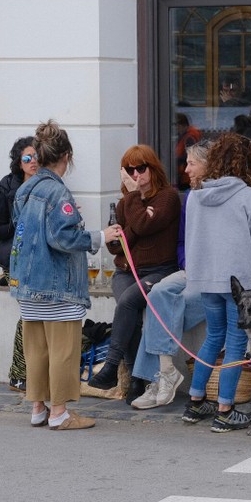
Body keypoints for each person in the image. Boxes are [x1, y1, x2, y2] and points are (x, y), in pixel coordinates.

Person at [9, 120, 121, 431]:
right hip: (56, 284)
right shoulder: (57, 192)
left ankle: (38, 408)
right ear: (66, 156)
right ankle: (59, 412)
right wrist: (100, 235)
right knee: (63, 350)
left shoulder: (26, 188)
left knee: (37, 350)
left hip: (27, 283)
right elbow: (63, 238)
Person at [182, 132, 251, 432]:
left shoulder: (195, 195)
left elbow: (191, 237)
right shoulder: (248, 196)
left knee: (212, 338)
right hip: (240, 283)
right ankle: (225, 409)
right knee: (235, 343)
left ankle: (195, 403)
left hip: (206, 279)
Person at [88, 145, 181, 392]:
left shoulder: (167, 197)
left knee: (128, 303)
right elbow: (116, 246)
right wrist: (136, 224)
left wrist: (135, 213)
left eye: (141, 168)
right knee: (128, 312)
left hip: (159, 271)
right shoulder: (124, 204)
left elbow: (139, 227)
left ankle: (112, 366)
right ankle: (137, 380)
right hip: (125, 271)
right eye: (130, 170)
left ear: (153, 168)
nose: (136, 175)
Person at [130, 141, 211, 409]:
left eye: (191, 163)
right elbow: (181, 242)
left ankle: (162, 377)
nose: (186, 169)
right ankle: (165, 372)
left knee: (164, 309)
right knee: (156, 295)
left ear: (208, 165)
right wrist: (187, 264)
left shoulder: (218, 197)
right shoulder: (189, 197)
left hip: (215, 276)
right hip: (190, 271)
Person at [0, 136, 38, 392]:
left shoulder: (47, 185)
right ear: (19, 162)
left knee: (37, 314)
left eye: (37, 157)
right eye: (28, 158)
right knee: (29, 313)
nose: (33, 162)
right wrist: (20, 224)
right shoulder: (8, 186)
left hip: (39, 258)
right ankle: (18, 374)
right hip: (14, 256)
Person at [174, 112, 201, 190]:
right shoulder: (187, 136)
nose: (176, 128)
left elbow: (189, 156)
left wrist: (176, 160)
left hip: (186, 177)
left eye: (176, 125)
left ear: (181, 125)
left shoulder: (189, 138)